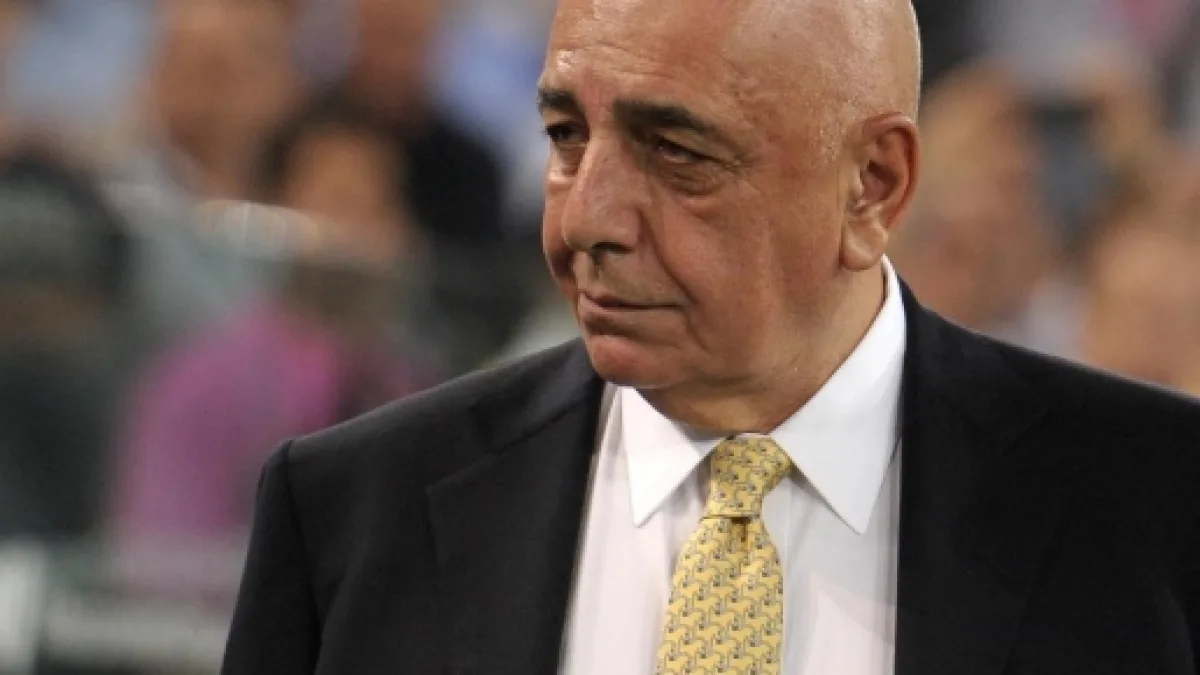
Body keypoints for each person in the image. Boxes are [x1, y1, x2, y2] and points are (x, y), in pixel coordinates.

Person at [222, 0, 1200, 673]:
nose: (585, 219)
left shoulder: (1159, 503)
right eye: (566, 137)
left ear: (874, 186)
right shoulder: (352, 514)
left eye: (676, 152)